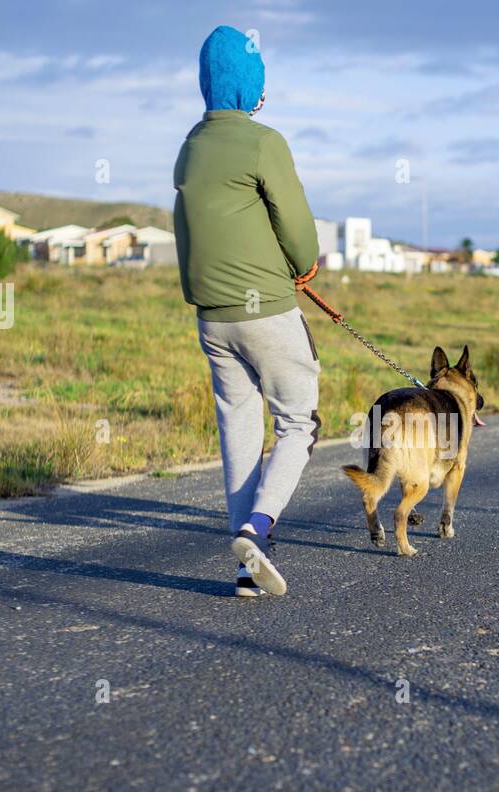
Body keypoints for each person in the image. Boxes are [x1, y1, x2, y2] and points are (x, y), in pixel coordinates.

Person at [174, 25, 322, 598]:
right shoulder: (265, 141)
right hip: (268, 312)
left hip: (211, 316)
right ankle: (259, 528)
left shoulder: (191, 145)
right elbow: (298, 228)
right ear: (249, 84)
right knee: (299, 422)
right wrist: (303, 266)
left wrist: (201, 295)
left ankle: (246, 563)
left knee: (239, 427)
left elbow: (185, 228)